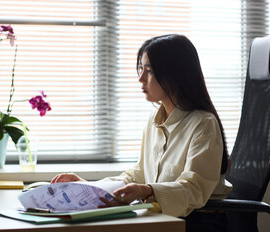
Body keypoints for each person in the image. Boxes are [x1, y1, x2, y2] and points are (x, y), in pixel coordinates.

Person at [51, 34, 231, 231]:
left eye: (149, 71)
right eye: (141, 69)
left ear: (175, 75)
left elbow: (195, 189)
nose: (140, 78)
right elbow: (140, 174)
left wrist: (148, 190)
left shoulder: (203, 124)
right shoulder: (154, 121)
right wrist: (90, 188)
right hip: (162, 218)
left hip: (196, 224)